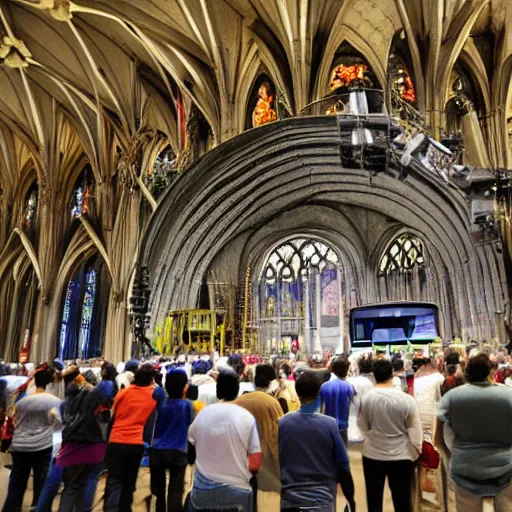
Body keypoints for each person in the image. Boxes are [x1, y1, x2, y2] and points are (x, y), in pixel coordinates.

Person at [435, 353, 512, 511]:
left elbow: (438, 437)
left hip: (464, 467)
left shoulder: (451, 397)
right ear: (490, 372)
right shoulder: (508, 395)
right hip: (505, 467)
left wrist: (450, 456)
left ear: (467, 372)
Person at [278, 370, 355, 512]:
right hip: (322, 500)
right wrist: (350, 499)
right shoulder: (330, 425)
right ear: (318, 394)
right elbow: (343, 466)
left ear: (297, 392)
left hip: (290, 500)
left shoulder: (283, 423)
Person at [188, 369, 262, 512]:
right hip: (238, 494)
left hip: (203, 494)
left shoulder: (203, 415)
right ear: (237, 390)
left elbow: (190, 454)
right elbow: (255, 462)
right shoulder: (246, 417)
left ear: (218, 390)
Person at [360, 359, 422, 512]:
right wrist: (416, 452)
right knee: (402, 501)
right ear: (392, 374)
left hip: (372, 454)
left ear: (374, 375)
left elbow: (363, 426)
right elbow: (415, 429)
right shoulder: (406, 400)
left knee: (374, 500)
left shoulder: (366, 398)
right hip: (401, 456)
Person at [2, 366, 62, 512]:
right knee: (40, 481)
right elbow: (58, 424)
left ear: (34, 381)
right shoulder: (55, 401)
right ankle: (37, 508)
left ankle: (12, 508)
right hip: (42, 446)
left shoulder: (22, 401)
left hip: (20, 445)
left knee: (17, 481)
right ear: (48, 383)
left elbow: (14, 420)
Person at [104, 363, 158, 512]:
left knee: (114, 481)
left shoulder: (124, 393)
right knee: (129, 481)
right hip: (137, 442)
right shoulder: (153, 396)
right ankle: (125, 508)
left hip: (116, 440)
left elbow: (113, 414)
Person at [150, 368, 193, 512]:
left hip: (157, 450)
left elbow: (156, 392)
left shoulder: (161, 402)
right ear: (183, 387)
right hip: (178, 451)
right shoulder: (187, 405)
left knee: (159, 490)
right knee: (176, 489)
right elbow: (189, 424)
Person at [236, 376, 284, 494]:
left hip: (244, 452)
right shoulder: (271, 401)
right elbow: (278, 425)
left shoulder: (240, 401)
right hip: (267, 450)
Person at [320, 356, 355, 445]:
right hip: (343, 426)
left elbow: (321, 408)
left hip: (328, 426)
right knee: (342, 453)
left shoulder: (324, 386)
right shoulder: (349, 387)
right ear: (346, 371)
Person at [347, 356, 374, 443]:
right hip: (368, 420)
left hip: (353, 417)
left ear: (359, 368)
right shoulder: (373, 381)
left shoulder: (353, 381)